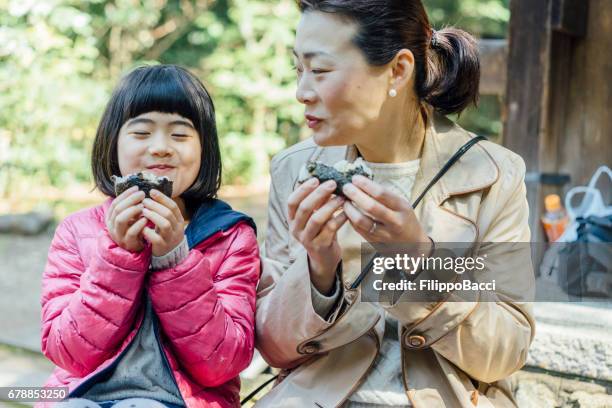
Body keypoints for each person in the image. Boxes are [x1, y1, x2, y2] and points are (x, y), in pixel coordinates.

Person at [255, 1, 534, 407]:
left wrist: (420, 260)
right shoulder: (293, 170)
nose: (301, 92)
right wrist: (318, 270)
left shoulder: (494, 175)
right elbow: (273, 348)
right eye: (298, 69)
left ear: (398, 70)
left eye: (319, 70)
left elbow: (505, 354)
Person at [38, 65, 260, 408]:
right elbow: (66, 352)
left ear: (205, 148)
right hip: (81, 395)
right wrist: (117, 256)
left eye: (180, 135)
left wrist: (176, 259)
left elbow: (225, 363)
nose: (160, 148)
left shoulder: (231, 236)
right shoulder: (76, 232)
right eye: (141, 133)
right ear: (112, 144)